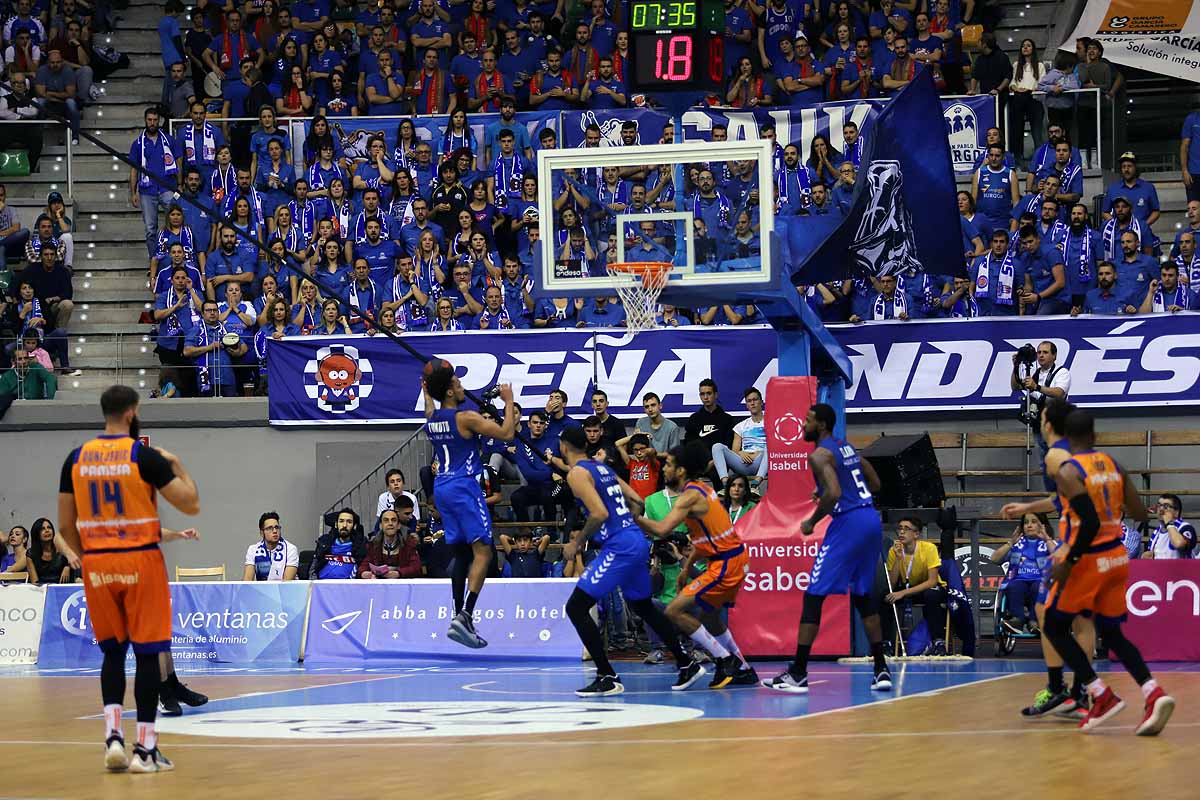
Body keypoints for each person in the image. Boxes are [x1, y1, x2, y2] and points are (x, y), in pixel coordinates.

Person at [57, 385, 201, 773]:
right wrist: (176, 463)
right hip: (140, 562)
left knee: (112, 653)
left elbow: (66, 526)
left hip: (98, 566)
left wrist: (90, 558)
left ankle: (112, 739)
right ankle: (145, 750)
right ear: (133, 412)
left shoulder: (76, 458)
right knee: (147, 654)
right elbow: (191, 504)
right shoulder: (145, 457)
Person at [1037, 409, 1174, 734]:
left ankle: (1100, 694)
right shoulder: (1115, 465)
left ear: (1066, 437)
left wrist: (1067, 563)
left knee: (1054, 625)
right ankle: (1152, 692)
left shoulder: (1070, 469)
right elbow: (1141, 512)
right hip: (1117, 557)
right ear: (1095, 435)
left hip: (1087, 558)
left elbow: (1090, 522)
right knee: (1112, 633)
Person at [558, 425, 703, 696]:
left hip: (620, 546)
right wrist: (626, 522)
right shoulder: (602, 469)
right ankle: (686, 663)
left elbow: (599, 513)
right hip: (634, 539)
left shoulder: (578, 473)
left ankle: (607, 675)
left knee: (576, 607)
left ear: (563, 446)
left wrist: (576, 543)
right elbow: (637, 500)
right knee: (642, 605)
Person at [762, 403, 892, 694]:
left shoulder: (819, 455)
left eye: (807, 420)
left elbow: (833, 493)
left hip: (848, 524)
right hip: (870, 518)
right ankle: (881, 669)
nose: (803, 424)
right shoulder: (845, 447)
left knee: (814, 595)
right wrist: (836, 494)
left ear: (820, 425)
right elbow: (874, 481)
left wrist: (811, 521)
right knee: (861, 594)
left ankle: (798, 673)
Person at [636, 443, 758, 688]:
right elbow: (704, 539)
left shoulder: (689, 496)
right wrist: (686, 568)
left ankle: (725, 660)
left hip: (726, 564)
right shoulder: (700, 489)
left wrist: (632, 517)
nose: (664, 470)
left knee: (673, 611)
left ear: (681, 471)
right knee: (709, 616)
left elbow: (661, 529)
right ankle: (744, 669)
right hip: (731, 559)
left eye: (668, 465)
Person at [423, 363, 516, 648]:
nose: (463, 387)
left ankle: (457, 613)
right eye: (458, 384)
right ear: (450, 391)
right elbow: (507, 434)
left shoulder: (432, 417)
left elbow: (429, 401)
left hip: (442, 488)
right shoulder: (466, 418)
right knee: (484, 551)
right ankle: (465, 615)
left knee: (462, 553)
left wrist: (427, 385)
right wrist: (509, 401)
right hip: (464, 486)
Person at [129, 108, 182, 259]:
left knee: (175, 224)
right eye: (149, 120)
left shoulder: (169, 140)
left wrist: (179, 184)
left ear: (159, 121)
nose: (152, 123)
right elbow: (134, 169)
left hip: (168, 187)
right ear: (145, 120)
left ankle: (175, 258)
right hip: (147, 190)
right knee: (150, 229)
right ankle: (155, 261)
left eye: (155, 120)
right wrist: (133, 192)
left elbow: (179, 162)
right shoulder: (138, 144)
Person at [991, 512, 1053, 634]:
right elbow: (994, 559)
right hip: (1019, 582)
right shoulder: (1017, 544)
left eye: (1034, 522)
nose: (1029, 525)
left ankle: (1034, 621)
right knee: (1014, 586)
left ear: (1043, 525)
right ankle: (1018, 620)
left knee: (1039, 586)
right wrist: (1010, 543)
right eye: (1026, 523)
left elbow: (1060, 557)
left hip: (1041, 583)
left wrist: (1047, 538)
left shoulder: (1048, 543)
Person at [711, 387, 767, 485]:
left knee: (770, 448)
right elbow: (735, 451)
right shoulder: (740, 426)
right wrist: (741, 453)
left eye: (755, 399)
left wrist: (760, 452)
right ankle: (725, 484)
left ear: (761, 402)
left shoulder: (773, 421)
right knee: (717, 446)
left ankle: (756, 483)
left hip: (763, 461)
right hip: (744, 464)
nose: (752, 403)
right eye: (749, 401)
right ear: (747, 405)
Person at [359, 505, 422, 579]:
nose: (390, 523)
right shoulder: (373, 544)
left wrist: (398, 573)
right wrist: (364, 573)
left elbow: (416, 568)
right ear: (380, 526)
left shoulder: (408, 543)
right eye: (386, 520)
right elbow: (363, 566)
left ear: (398, 525)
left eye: (393, 520)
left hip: (403, 585)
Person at [311, 508, 367, 578]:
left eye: (349, 522)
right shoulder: (324, 542)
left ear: (354, 526)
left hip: (348, 586)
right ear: (336, 524)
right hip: (321, 585)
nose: (344, 525)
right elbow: (313, 567)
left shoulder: (361, 545)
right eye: (341, 521)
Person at [242, 511, 299, 581]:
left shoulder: (290, 549)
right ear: (262, 533)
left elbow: (287, 581)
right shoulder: (253, 549)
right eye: (270, 528)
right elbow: (247, 580)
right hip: (261, 590)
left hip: (284, 591)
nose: (275, 531)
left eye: (277, 527)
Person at [1145, 494, 1196, 560]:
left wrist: (1169, 523)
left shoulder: (1185, 527)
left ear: (1176, 512)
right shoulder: (1156, 532)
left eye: (1166, 506)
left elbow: (1179, 544)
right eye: (1159, 505)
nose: (1161, 509)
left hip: (1182, 570)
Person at [27, 517, 70, 584]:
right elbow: (35, 582)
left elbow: (75, 560)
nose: (47, 530)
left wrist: (67, 566)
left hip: (62, 588)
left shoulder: (61, 548)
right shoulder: (31, 554)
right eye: (42, 529)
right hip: (41, 589)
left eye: (49, 527)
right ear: (36, 533)